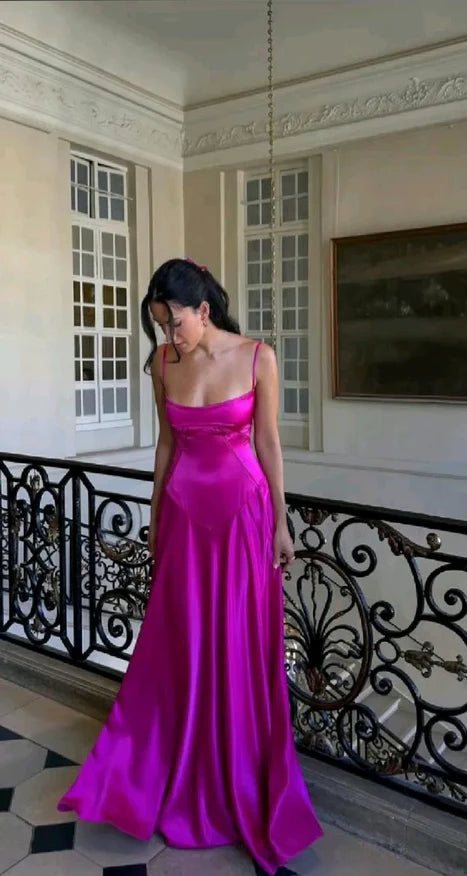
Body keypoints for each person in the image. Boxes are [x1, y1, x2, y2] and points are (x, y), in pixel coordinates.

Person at [58, 258, 323, 875]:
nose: (168, 336)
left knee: (237, 643)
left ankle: (236, 774)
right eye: (159, 326)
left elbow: (268, 443)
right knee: (178, 643)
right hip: (182, 516)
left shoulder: (257, 357)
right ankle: (165, 767)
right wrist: (155, 514)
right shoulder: (162, 364)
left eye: (174, 323)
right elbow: (167, 444)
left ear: (203, 311)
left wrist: (282, 523)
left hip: (243, 521)